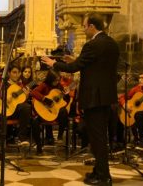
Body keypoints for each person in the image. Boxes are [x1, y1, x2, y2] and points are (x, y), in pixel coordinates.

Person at [42, 12, 119, 186]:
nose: (84, 29)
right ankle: (99, 171)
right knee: (100, 136)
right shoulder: (112, 44)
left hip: (93, 97)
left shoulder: (92, 45)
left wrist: (53, 63)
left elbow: (73, 68)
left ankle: (104, 176)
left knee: (97, 138)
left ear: (92, 26)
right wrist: (76, 60)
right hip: (107, 96)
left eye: (85, 26)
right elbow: (95, 65)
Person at [30, 69, 70, 148]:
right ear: (50, 79)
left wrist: (66, 95)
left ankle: (60, 137)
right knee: (34, 122)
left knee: (64, 111)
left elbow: (64, 102)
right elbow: (33, 92)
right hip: (44, 112)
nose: (57, 82)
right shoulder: (44, 85)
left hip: (55, 113)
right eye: (55, 80)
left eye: (58, 80)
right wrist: (45, 99)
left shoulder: (59, 86)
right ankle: (39, 146)